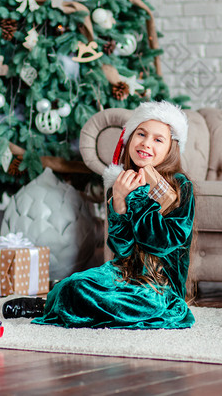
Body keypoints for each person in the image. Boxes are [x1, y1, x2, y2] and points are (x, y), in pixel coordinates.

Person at [31, 100, 196, 329]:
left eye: (158, 139)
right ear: (129, 139)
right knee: (73, 284)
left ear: (171, 148)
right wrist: (118, 202)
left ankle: (65, 307)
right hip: (123, 274)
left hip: (159, 287)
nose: (146, 143)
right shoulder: (120, 183)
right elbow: (122, 250)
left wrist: (136, 200)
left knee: (133, 302)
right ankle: (55, 304)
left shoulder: (180, 187)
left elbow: (160, 243)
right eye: (141, 134)